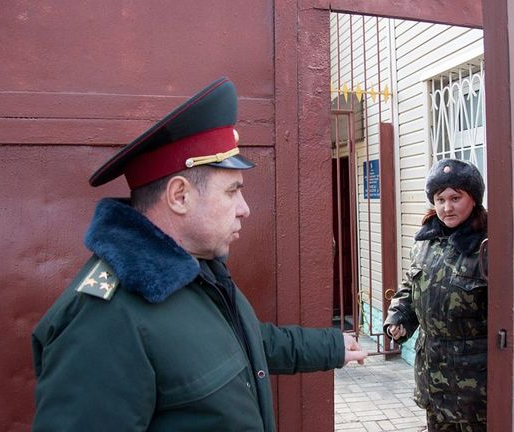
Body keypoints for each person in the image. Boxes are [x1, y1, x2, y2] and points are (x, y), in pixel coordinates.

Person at [31, 77, 367, 432]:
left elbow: (244, 341)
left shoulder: (197, 271)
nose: (244, 209)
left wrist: (330, 345)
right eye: (232, 191)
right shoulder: (104, 321)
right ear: (179, 196)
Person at [384, 159, 488, 432]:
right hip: (433, 376)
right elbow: (411, 285)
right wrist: (399, 317)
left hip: (474, 385)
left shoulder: (489, 245)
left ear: (474, 199)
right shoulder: (426, 241)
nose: (447, 207)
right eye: (440, 199)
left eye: (456, 197)